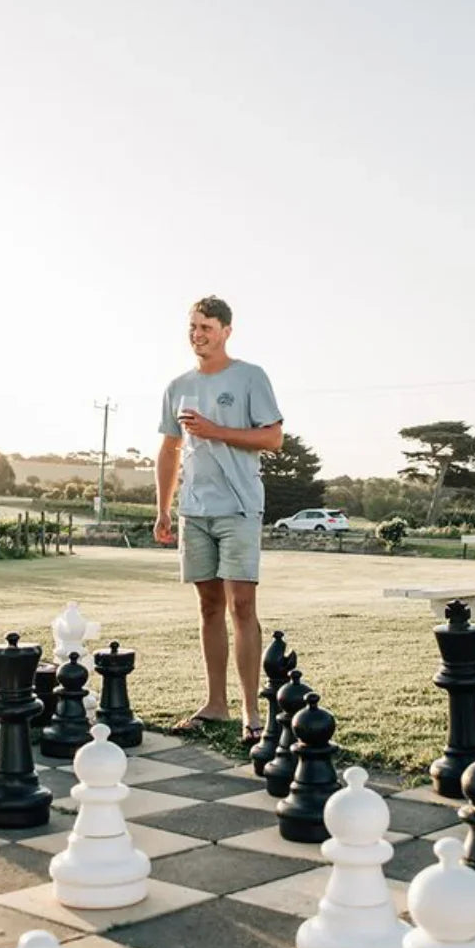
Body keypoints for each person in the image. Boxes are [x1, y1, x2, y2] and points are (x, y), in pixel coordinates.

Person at [153, 296, 283, 746]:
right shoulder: (177, 386)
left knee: (241, 606)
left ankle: (252, 713)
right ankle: (215, 704)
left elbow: (273, 438)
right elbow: (169, 450)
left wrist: (215, 430)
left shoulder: (249, 377)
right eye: (192, 326)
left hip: (239, 508)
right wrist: (163, 508)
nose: (197, 334)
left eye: (206, 326)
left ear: (227, 330)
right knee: (208, 607)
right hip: (195, 511)